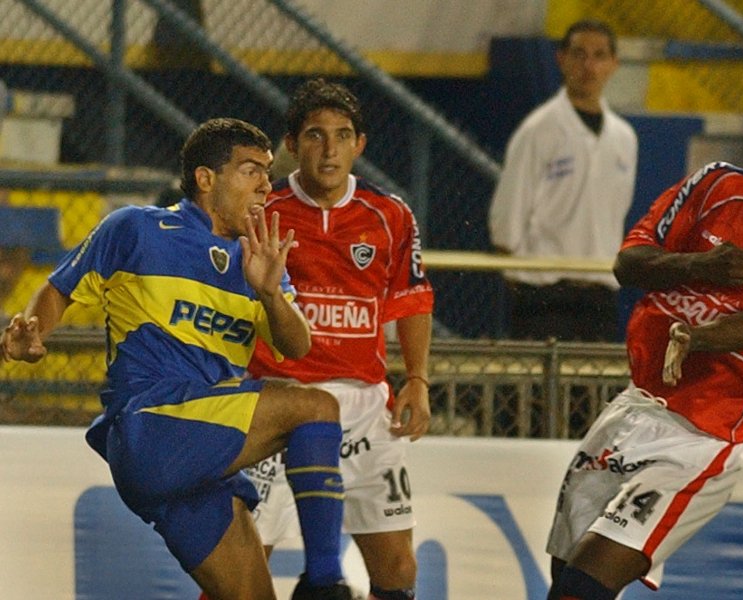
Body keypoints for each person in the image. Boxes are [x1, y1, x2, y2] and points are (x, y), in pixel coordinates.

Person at [0, 118, 354, 600]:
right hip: (152, 427)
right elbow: (60, 288)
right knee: (316, 408)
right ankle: (325, 580)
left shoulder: (260, 258)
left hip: (202, 455)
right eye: (251, 171)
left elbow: (297, 346)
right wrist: (31, 332)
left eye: (268, 173)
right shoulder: (138, 229)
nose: (265, 186)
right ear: (207, 179)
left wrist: (270, 295)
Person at [545, 137, 743, 598]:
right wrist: (699, 265)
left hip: (701, 442)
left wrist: (695, 338)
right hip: (634, 408)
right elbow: (628, 264)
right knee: (563, 579)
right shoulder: (721, 186)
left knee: (585, 582)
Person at [238, 79, 433, 600]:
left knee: (398, 569)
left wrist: (416, 378)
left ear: (360, 144)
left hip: (365, 407)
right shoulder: (262, 211)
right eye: (315, 136)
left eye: (343, 135)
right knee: (246, 567)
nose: (330, 149)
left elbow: (411, 298)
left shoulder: (390, 215)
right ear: (293, 144)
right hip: (279, 401)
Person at [488, 19, 638, 342]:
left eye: (599, 56)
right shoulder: (538, 130)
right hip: (545, 297)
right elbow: (506, 222)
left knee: (595, 392)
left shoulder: (624, 138)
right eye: (579, 54)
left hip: (600, 294)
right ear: (561, 59)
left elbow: (617, 214)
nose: (589, 65)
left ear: (614, 64)